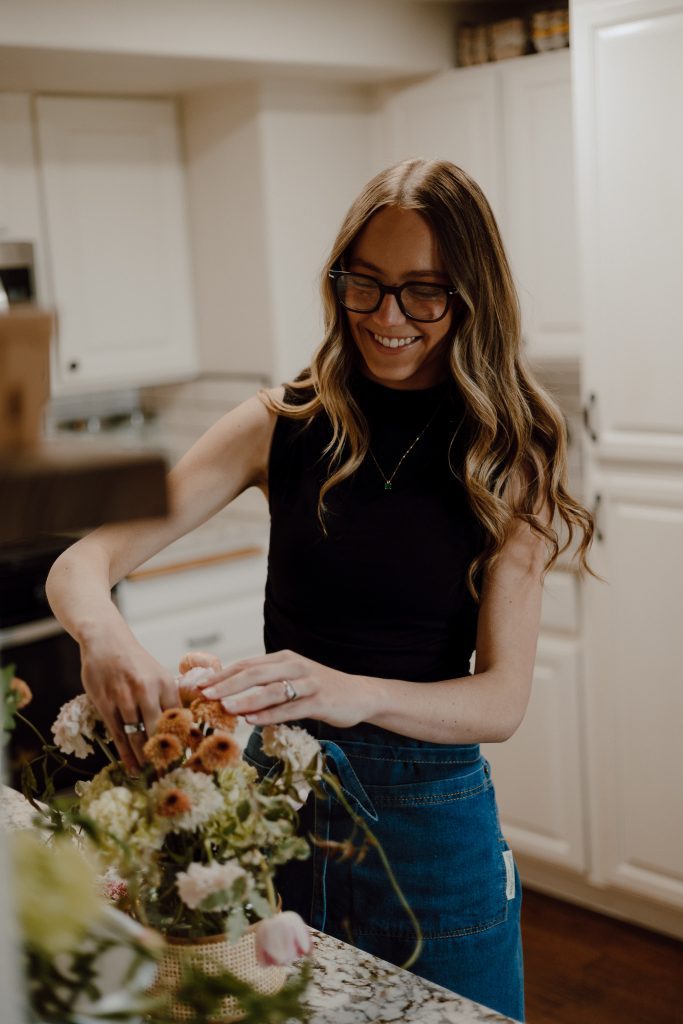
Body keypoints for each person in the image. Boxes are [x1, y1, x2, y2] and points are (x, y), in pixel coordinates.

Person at [46, 158, 595, 1022]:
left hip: (431, 823)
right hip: (279, 809)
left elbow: (501, 699)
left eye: (423, 292)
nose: (386, 318)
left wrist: (347, 690)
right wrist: (102, 634)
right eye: (364, 285)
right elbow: (82, 563)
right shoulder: (284, 422)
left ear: (472, 296)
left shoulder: (509, 449)